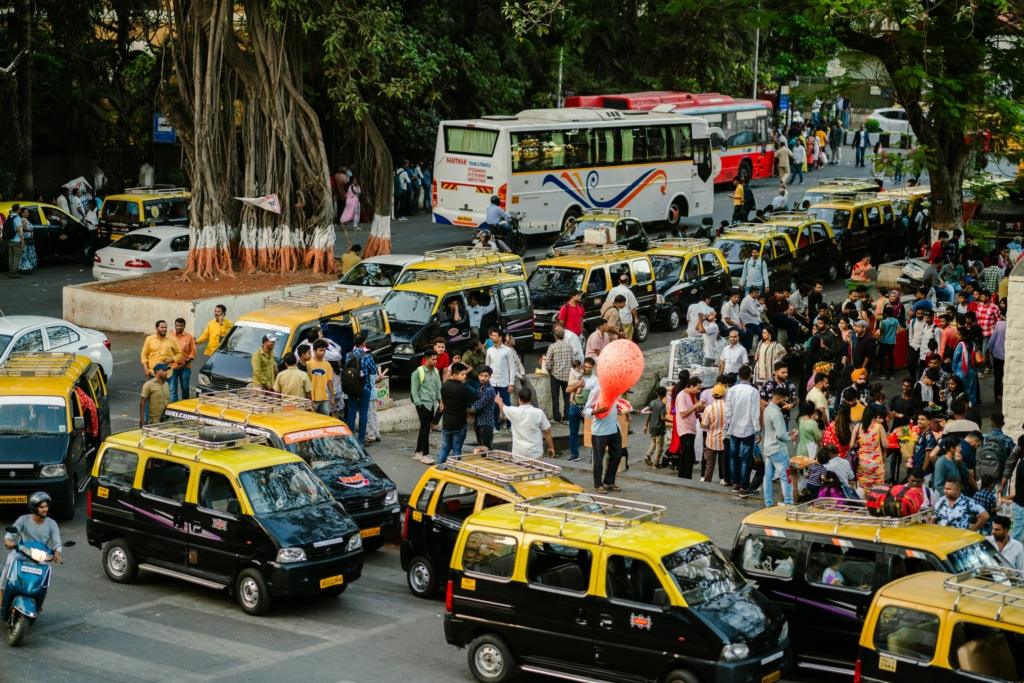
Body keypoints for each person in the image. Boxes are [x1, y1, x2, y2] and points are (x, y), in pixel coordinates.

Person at [0, 492, 63, 605]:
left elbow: (57, 541)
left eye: (46, 506)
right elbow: (11, 532)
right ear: (34, 508)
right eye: (41, 507)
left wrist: (58, 552)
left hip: (40, 556)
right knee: (9, 564)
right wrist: (9, 540)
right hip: (21, 553)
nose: (45, 509)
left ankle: (39, 601)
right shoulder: (23, 519)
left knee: (45, 577)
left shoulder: (52, 524)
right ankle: (1, 593)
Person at [725, 365, 761, 496]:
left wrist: (727, 426)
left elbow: (728, 411)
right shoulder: (753, 391)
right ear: (750, 375)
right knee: (745, 458)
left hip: (734, 428)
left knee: (733, 456)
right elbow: (755, 412)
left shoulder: (732, 390)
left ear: (739, 376)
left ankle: (735, 483)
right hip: (748, 429)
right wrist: (757, 430)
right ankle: (744, 485)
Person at [584, 379, 623, 493]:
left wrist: (625, 413)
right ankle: (598, 484)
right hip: (600, 432)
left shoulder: (615, 392)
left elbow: (616, 407)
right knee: (598, 459)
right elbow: (585, 410)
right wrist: (597, 411)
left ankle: (609, 482)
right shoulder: (596, 391)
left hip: (614, 429)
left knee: (617, 455)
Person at [497, 386, 554, 459]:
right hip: (536, 454)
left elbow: (502, 407)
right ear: (531, 399)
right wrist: (551, 447)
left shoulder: (513, 411)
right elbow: (547, 431)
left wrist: (499, 400)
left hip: (519, 455)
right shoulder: (539, 413)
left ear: (519, 399)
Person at [763, 386, 795, 508]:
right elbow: (781, 435)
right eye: (785, 400)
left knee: (768, 477)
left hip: (768, 448)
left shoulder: (767, 409)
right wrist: (791, 437)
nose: (786, 403)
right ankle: (788, 502)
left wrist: (788, 433)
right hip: (779, 450)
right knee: (786, 476)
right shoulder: (777, 414)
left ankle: (768, 502)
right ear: (779, 399)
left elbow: (775, 431)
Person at [437, 362, 473, 464]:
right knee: (457, 451)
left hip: (447, 423)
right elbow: (474, 399)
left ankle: (438, 469)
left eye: (465, 374)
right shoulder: (463, 388)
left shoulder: (444, 386)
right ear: (454, 374)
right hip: (459, 424)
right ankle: (454, 471)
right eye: (462, 374)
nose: (465, 376)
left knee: (444, 449)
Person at [344, 333, 377, 444]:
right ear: (363, 343)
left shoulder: (348, 355)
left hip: (351, 387)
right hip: (365, 387)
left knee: (351, 412)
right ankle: (361, 440)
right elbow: (373, 371)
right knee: (363, 413)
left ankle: (351, 440)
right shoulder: (367, 356)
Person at [411, 350, 442, 463]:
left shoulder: (436, 371)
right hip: (422, 404)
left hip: (432, 403)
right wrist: (419, 404)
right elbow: (414, 391)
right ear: (426, 359)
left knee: (424, 429)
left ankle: (418, 452)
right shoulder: (418, 372)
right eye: (433, 359)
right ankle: (425, 454)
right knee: (426, 429)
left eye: (436, 359)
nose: (435, 361)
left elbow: (438, 388)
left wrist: (440, 401)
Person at [567, 357, 597, 462]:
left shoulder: (595, 380)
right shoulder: (578, 375)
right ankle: (574, 454)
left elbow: (596, 396)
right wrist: (578, 385)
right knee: (573, 432)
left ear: (593, 367)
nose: (586, 369)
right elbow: (568, 389)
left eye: (589, 367)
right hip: (574, 407)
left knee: (592, 432)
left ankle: (594, 454)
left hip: (587, 409)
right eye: (585, 366)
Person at [485, 328, 516, 428]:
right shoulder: (489, 351)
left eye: (494, 335)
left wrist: (511, 383)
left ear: (500, 337)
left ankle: (510, 426)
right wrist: (487, 382)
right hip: (492, 382)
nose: (492, 337)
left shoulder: (508, 351)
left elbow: (512, 367)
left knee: (507, 405)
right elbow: (487, 367)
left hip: (504, 382)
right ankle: (496, 426)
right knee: (494, 406)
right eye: (491, 335)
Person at [674, 378, 704, 479]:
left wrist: (696, 401)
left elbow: (697, 408)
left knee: (685, 454)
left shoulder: (690, 395)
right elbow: (683, 413)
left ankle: (682, 475)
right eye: (697, 388)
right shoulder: (682, 395)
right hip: (685, 429)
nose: (698, 390)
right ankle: (687, 476)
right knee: (689, 455)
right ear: (691, 386)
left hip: (690, 429)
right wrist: (696, 405)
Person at [545, 327, 574, 423]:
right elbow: (572, 361)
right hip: (567, 376)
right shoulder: (569, 346)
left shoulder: (552, 347)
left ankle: (557, 418)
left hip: (555, 375)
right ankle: (567, 418)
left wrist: (550, 372)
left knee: (555, 397)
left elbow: (547, 363)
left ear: (555, 336)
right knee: (567, 398)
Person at [700, 383, 727, 483]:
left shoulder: (709, 408)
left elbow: (704, 425)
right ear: (724, 395)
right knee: (723, 463)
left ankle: (707, 481)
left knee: (709, 464)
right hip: (724, 440)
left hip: (711, 441)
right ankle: (724, 480)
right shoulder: (728, 407)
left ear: (712, 395)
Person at [604, 274, 639, 340]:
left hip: (614, 318)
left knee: (617, 338)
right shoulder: (628, 292)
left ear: (619, 281)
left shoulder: (613, 290)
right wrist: (636, 318)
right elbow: (633, 307)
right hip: (626, 319)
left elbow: (607, 303)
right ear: (627, 282)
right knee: (627, 338)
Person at [169, 318, 196, 402]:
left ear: (184, 326)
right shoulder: (170, 337)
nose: (179, 327)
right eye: (177, 325)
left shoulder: (189, 337)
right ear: (175, 325)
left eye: (181, 326)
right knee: (172, 389)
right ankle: (174, 408)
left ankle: (185, 406)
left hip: (185, 367)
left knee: (185, 388)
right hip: (172, 367)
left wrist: (185, 362)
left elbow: (193, 352)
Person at [307, 339, 336, 416]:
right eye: (320, 350)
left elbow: (329, 382)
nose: (323, 352)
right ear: (314, 350)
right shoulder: (308, 364)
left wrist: (332, 397)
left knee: (325, 421)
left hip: (324, 398)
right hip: (311, 399)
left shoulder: (327, 364)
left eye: (324, 350)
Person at [471, 365, 497, 450]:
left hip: (486, 424)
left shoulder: (489, 390)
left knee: (486, 448)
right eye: (481, 375)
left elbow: (478, 405)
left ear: (489, 377)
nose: (483, 378)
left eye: (486, 376)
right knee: (481, 448)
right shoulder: (480, 387)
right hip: (478, 422)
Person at [4, 203, 23, 278]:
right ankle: (14, 272)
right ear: (18, 209)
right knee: (16, 256)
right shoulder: (17, 217)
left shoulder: (9, 216)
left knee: (11, 256)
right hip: (16, 239)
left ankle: (11, 271)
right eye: (20, 208)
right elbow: (19, 229)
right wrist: (22, 239)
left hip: (9, 239)